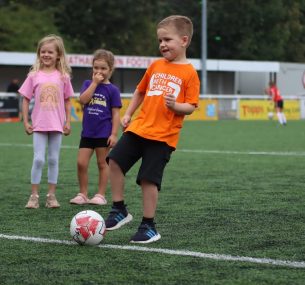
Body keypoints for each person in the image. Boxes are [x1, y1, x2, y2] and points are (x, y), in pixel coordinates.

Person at [104, 15, 200, 243]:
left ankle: (149, 226)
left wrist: (176, 105)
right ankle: (119, 209)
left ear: (184, 40)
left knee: (148, 179)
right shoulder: (155, 65)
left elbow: (192, 106)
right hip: (139, 128)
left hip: (163, 136)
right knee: (114, 160)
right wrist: (128, 113)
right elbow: (140, 91)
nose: (162, 44)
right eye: (160, 40)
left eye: (167, 39)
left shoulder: (189, 73)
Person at [18, 34, 74, 209]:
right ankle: (34, 196)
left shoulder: (63, 76)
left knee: (53, 159)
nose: (46, 55)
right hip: (39, 124)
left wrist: (68, 122)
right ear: (39, 53)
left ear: (58, 55)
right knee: (38, 160)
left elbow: (67, 100)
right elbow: (25, 98)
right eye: (43, 51)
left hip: (57, 124)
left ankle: (51, 196)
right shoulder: (34, 75)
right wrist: (25, 121)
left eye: (50, 52)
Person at [70, 49, 122, 206]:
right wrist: (94, 83)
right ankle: (83, 194)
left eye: (103, 68)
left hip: (103, 134)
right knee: (81, 163)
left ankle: (100, 195)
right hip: (87, 133)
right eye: (96, 68)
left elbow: (116, 114)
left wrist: (113, 134)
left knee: (102, 163)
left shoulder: (113, 90)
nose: (99, 71)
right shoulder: (88, 84)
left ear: (110, 70)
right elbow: (83, 100)